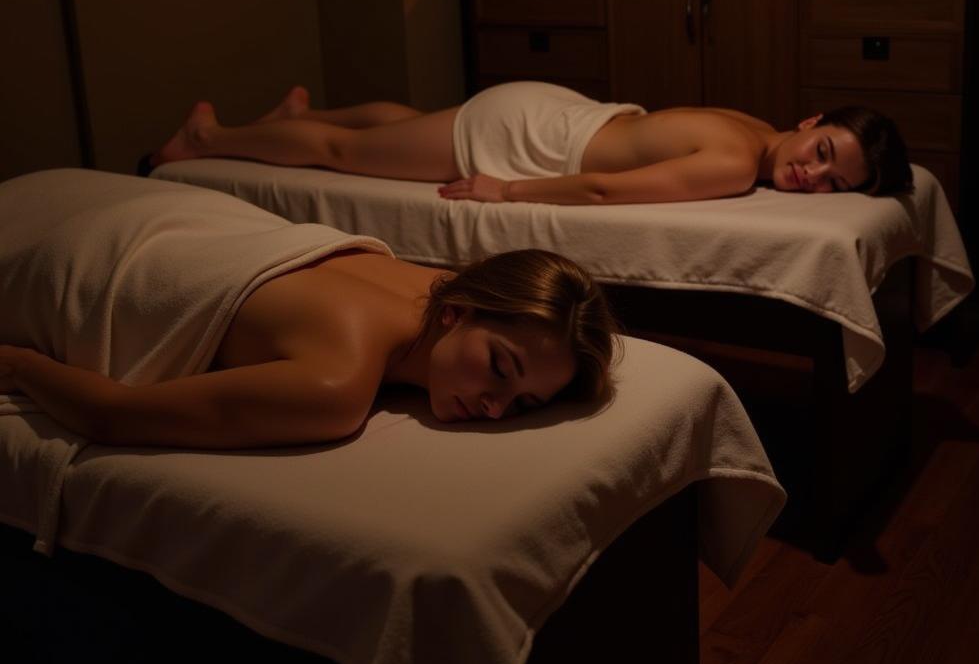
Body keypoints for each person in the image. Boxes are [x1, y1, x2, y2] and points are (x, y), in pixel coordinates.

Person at [0, 211, 618, 451]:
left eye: (523, 403)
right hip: (65, 251)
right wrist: (16, 365)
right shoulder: (336, 386)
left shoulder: (438, 281)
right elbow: (114, 416)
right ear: (458, 312)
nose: (494, 407)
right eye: (501, 368)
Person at [150, 80, 913, 205]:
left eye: (832, 185)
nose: (809, 177)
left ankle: (287, 113)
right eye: (822, 154)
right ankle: (209, 139)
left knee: (398, 123)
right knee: (343, 156)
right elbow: (605, 191)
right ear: (813, 124)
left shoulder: (757, 127)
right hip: (526, 136)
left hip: (558, 112)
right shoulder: (736, 163)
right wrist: (508, 189)